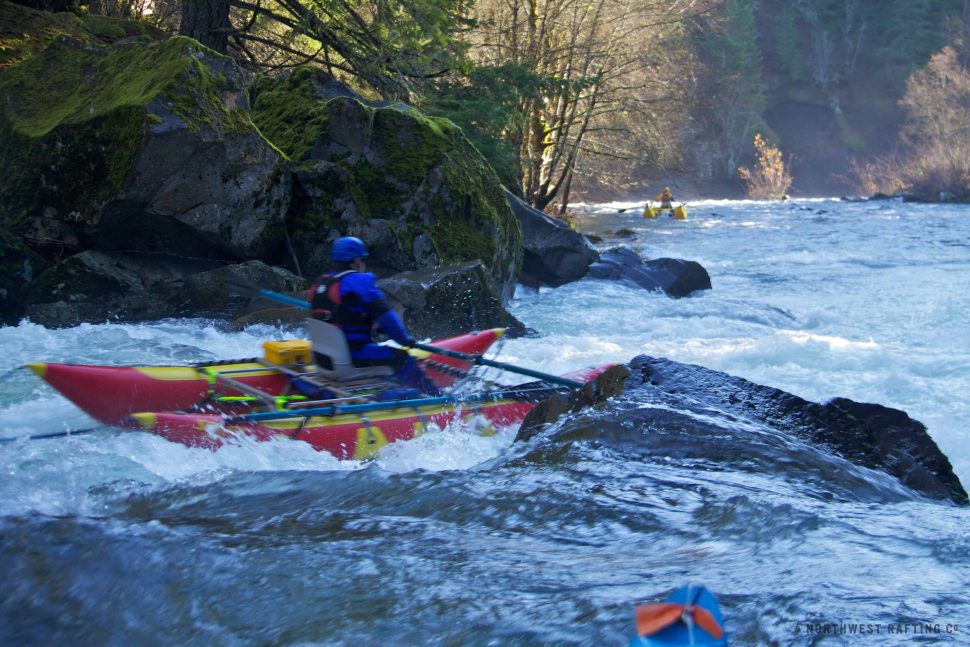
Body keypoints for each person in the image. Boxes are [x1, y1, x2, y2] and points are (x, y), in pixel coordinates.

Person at [307, 236, 442, 395]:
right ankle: (433, 396)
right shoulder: (359, 282)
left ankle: (394, 389)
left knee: (382, 352)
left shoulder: (320, 284)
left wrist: (369, 325)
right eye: (363, 260)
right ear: (357, 261)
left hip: (323, 360)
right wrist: (406, 340)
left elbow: (340, 316)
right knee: (401, 357)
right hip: (350, 359)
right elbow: (388, 318)